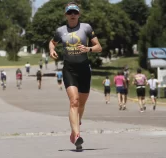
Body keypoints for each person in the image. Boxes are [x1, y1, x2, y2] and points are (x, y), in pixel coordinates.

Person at [48, 2, 102, 149]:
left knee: (82, 104)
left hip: (84, 69)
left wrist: (88, 48)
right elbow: (52, 43)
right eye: (70, 13)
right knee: (74, 101)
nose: (72, 15)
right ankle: (77, 135)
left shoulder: (86, 28)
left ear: (79, 14)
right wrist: (52, 50)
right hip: (69, 69)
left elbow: (99, 47)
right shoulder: (60, 31)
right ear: (66, 15)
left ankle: (75, 127)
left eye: (75, 13)